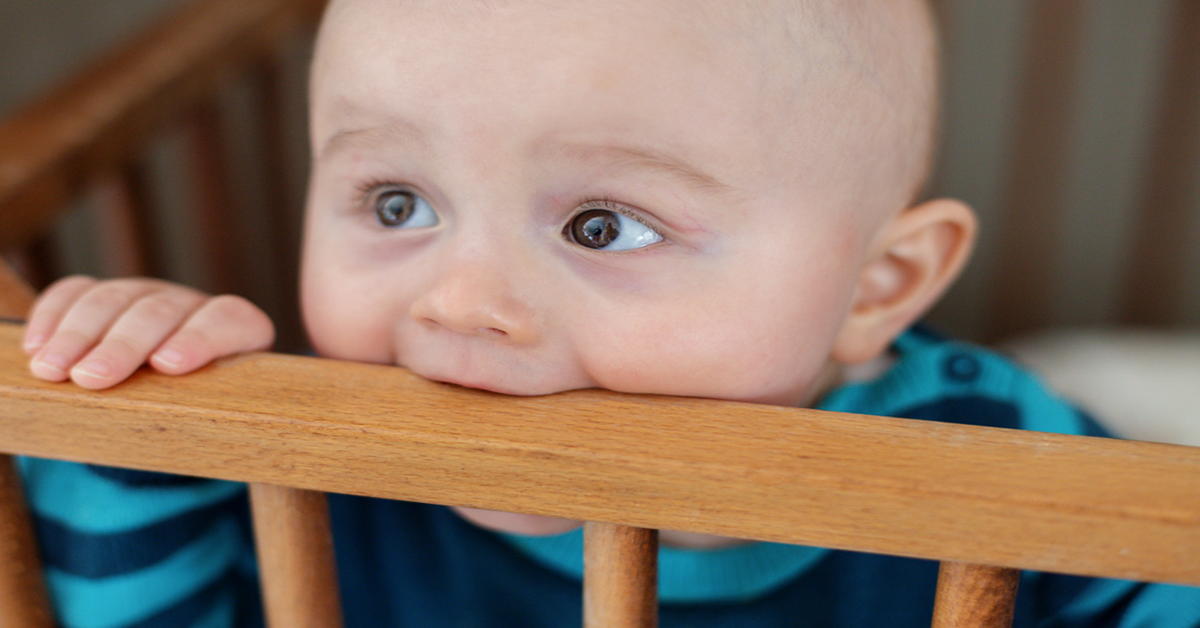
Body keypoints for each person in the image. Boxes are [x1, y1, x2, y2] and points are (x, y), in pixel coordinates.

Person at [16, 0, 1200, 626]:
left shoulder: (988, 454)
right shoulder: (315, 467)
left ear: (879, 288)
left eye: (602, 227)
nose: (463, 301)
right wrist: (153, 416)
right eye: (395, 199)